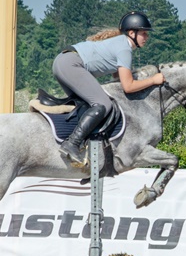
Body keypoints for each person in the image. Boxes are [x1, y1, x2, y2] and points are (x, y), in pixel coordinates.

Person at [52, 11, 166, 166]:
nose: (147, 37)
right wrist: (153, 80)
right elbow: (128, 86)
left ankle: (81, 145)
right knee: (104, 104)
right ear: (131, 33)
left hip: (63, 62)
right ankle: (71, 143)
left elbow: (117, 79)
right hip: (71, 64)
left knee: (86, 106)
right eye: (144, 33)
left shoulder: (119, 43)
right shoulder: (125, 49)